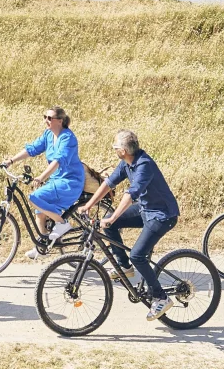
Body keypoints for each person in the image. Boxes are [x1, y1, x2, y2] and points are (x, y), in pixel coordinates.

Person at [76, 130, 179, 321]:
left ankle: (161, 297)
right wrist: (88, 205)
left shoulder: (144, 165)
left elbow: (130, 195)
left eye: (115, 147)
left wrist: (114, 217)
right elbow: (108, 183)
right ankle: (124, 267)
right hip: (146, 209)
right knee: (109, 226)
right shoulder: (127, 162)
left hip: (163, 215)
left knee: (138, 255)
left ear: (123, 150)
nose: (113, 150)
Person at [0, 107, 85, 258]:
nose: (46, 120)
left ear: (60, 121)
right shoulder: (48, 135)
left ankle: (62, 223)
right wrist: (10, 161)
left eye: (50, 118)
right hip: (56, 180)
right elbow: (32, 149)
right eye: (45, 117)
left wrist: (41, 177)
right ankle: (42, 248)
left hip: (69, 182)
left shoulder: (67, 138)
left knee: (34, 198)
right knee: (40, 212)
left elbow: (58, 161)